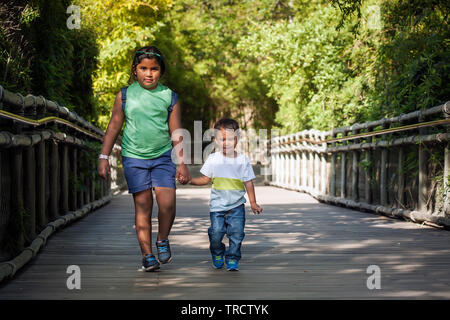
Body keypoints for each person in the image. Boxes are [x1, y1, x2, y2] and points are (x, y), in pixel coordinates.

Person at [98, 45, 191, 272]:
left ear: (161, 71)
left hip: (162, 157)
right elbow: (113, 127)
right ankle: (147, 255)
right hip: (133, 157)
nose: (149, 73)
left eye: (154, 69)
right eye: (143, 68)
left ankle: (162, 239)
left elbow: (176, 131)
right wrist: (103, 156)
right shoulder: (125, 95)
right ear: (135, 69)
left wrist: (182, 163)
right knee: (143, 206)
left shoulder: (169, 96)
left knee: (167, 205)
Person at [188, 118, 262, 271]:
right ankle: (217, 252)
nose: (226, 143)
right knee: (216, 233)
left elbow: (248, 182)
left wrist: (253, 202)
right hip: (217, 206)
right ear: (215, 140)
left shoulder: (242, 160)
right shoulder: (213, 159)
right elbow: (205, 179)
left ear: (237, 139)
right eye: (222, 139)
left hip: (237, 206)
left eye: (230, 139)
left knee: (237, 234)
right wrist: (190, 180)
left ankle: (233, 258)